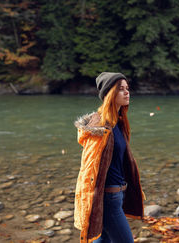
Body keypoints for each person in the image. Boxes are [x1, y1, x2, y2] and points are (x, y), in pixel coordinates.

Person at [74, 72, 145, 243]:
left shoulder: (118, 122)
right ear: (109, 93)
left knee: (103, 239)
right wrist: (88, 204)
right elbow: (88, 170)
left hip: (118, 195)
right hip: (108, 200)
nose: (127, 92)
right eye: (121, 89)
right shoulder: (100, 127)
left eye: (127, 88)